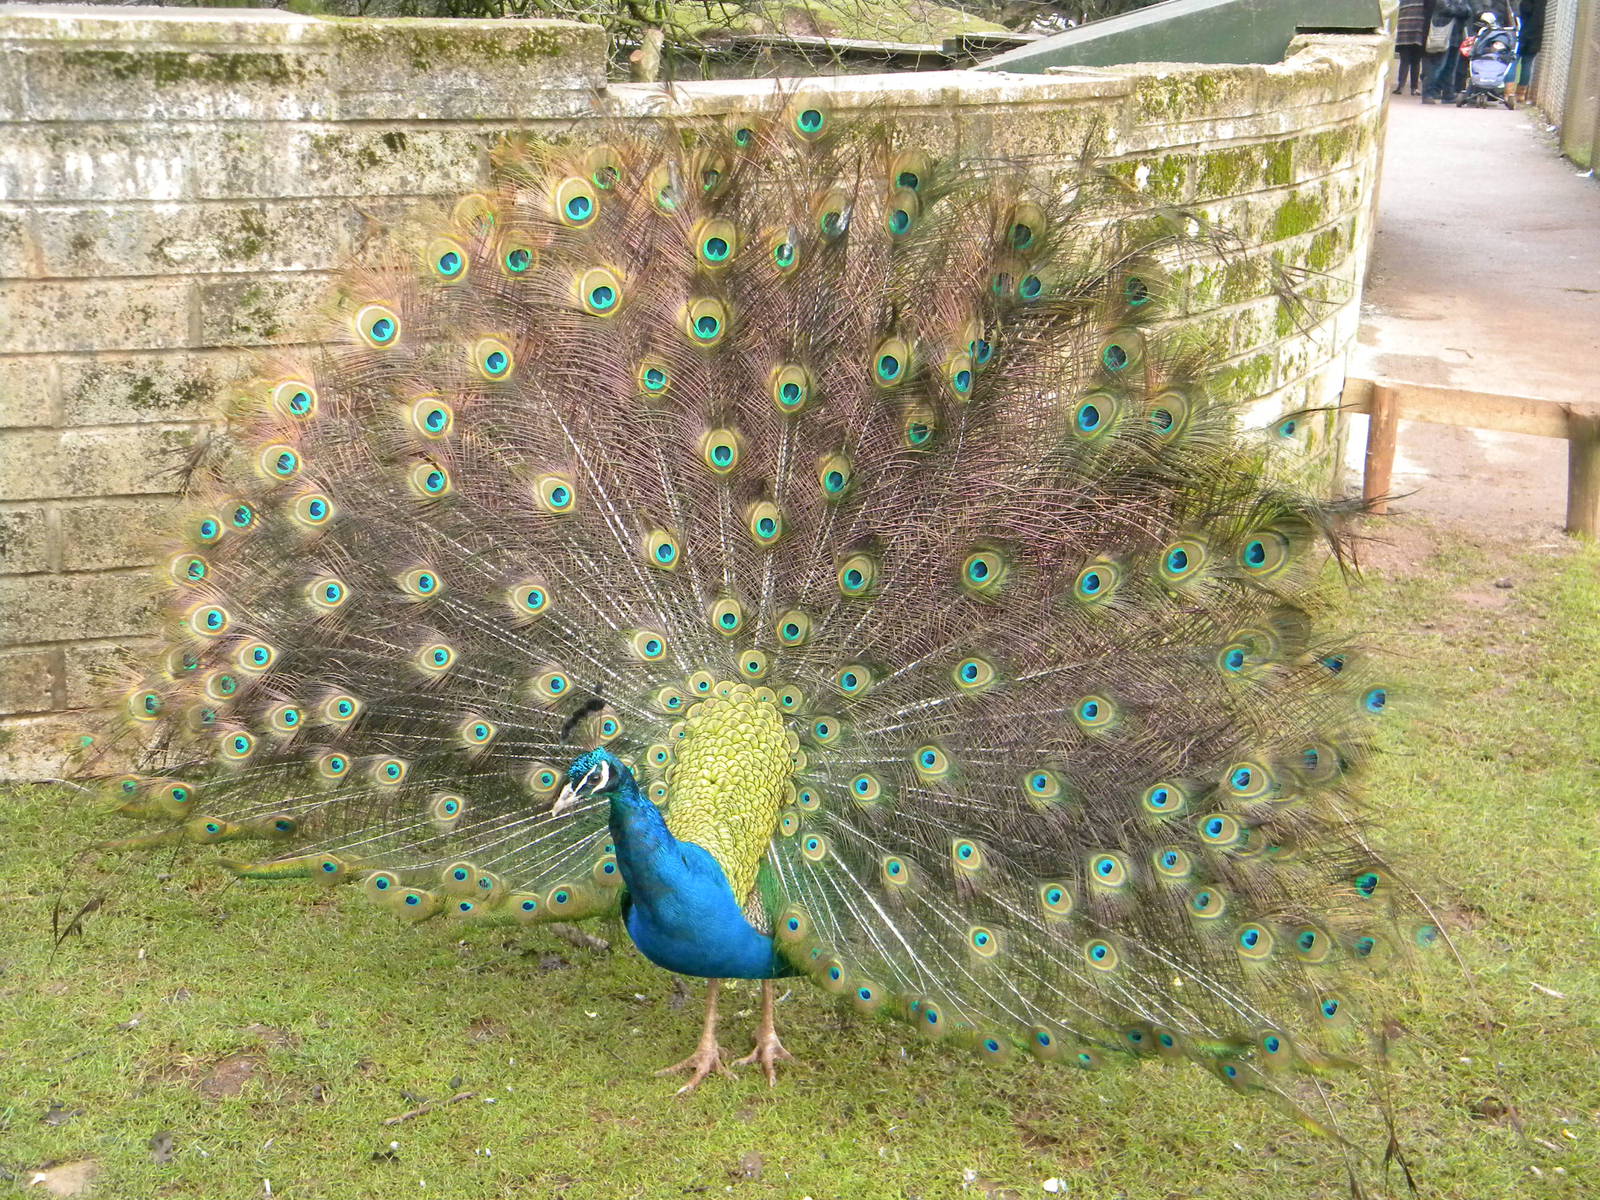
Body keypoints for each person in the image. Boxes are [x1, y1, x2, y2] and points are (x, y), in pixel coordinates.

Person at [1421, 0, 1473, 104]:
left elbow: (1469, 11)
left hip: (1456, 35)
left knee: (1451, 66)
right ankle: (1428, 93)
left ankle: (1448, 94)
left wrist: (1459, 9)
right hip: (1443, 34)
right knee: (1437, 66)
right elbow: (1446, 8)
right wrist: (1460, 9)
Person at [1511, 0, 1545, 102]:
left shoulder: (1526, 3)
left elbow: (1524, 10)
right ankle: (1521, 95)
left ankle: (1509, 93)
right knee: (1527, 64)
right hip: (1535, 37)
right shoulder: (1542, 4)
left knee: (1513, 62)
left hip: (1521, 35)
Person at [1394, 1, 1431, 95]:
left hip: (1404, 32)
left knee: (1405, 61)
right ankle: (1413, 88)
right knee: (1415, 62)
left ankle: (1401, 86)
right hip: (1418, 31)